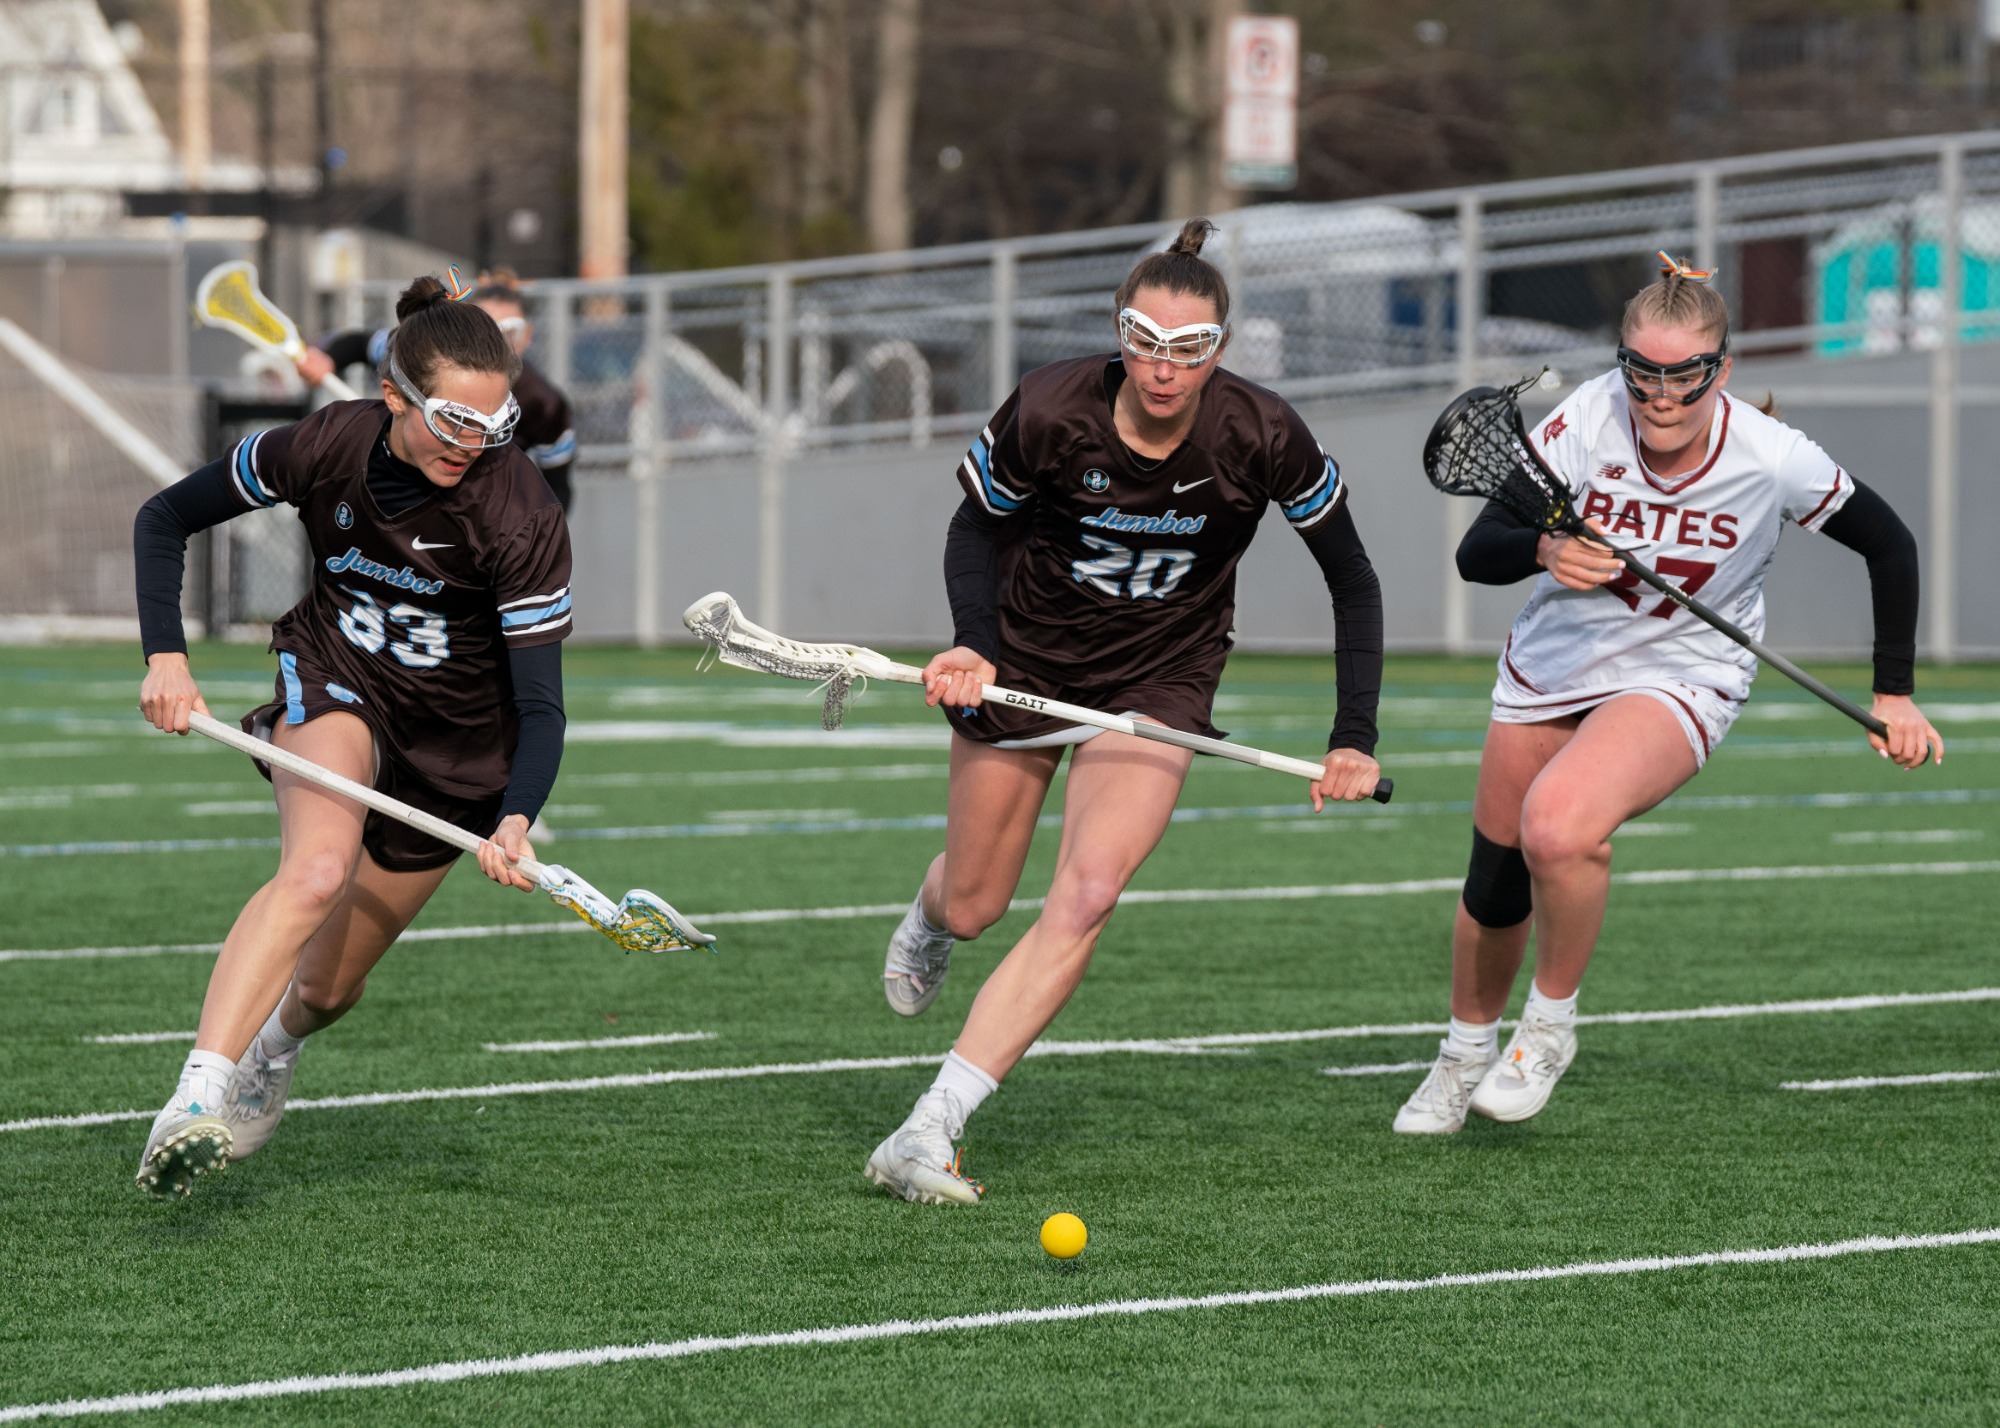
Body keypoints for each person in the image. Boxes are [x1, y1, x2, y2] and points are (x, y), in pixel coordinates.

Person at [863, 218, 1387, 1205]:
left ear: (1218, 350)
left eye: (1187, 349)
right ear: (1119, 332)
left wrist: (1351, 736)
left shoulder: (1261, 432)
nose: (1161, 367)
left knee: (1090, 891)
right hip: (1025, 662)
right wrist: (971, 640)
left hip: (1159, 678)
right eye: (1143, 341)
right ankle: (931, 913)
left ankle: (929, 1128)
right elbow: (973, 528)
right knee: (977, 902)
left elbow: (1351, 580)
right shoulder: (1053, 407)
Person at [1393, 253, 1943, 1136]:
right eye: (1640, 371)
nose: (1657, 396)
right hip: (1553, 663)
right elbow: (1478, 552)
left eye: (1681, 376)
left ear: (1718, 371)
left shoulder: (1773, 458)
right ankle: (1460, 1059)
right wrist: (1544, 552)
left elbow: (1892, 544)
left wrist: (1897, 693)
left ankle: (1547, 1030)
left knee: (1558, 828)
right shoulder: (1585, 419)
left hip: (1685, 671)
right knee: (1495, 884)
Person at [130, 275, 573, 1197]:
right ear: (393, 396)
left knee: (327, 991)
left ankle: (272, 1050)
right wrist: (166, 656)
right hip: (339, 680)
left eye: (489, 428)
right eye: (450, 420)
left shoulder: (519, 513)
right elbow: (164, 516)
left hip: (459, 749)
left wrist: (520, 817)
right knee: (316, 870)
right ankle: (195, 1094)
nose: (470, 445)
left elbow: (541, 707)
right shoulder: (326, 443)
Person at [296, 269, 577, 511]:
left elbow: (557, 494)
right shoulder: (420, 355)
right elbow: (360, 343)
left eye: (510, 330)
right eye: (486, 326)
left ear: (527, 335)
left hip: (477, 523)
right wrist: (327, 359)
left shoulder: (545, 404)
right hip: (394, 502)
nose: (497, 342)